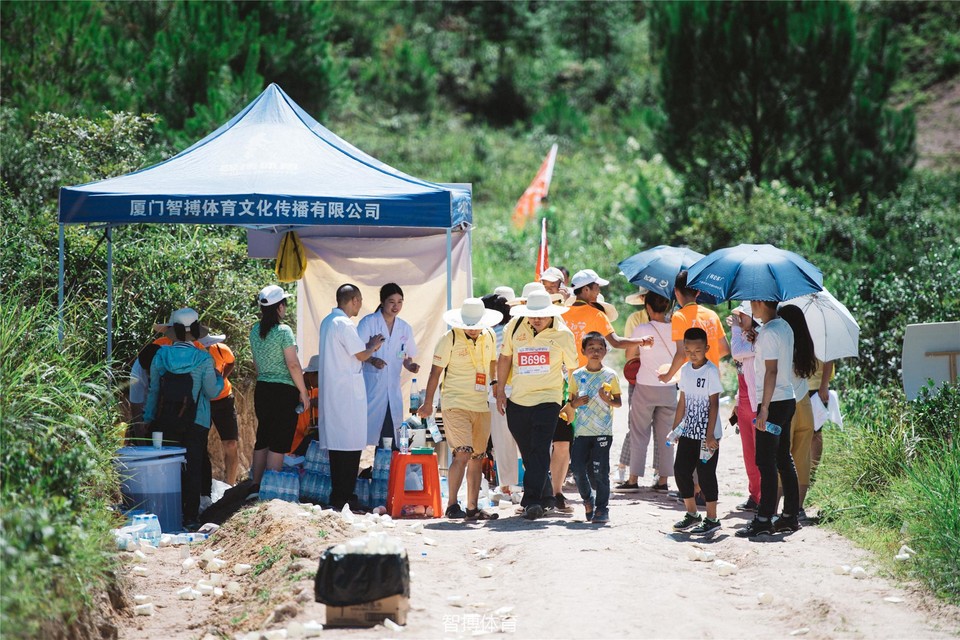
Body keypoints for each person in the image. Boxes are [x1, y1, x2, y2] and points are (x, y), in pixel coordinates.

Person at [556, 269, 653, 509]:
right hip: (590, 380)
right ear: (586, 289)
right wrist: (641, 341)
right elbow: (616, 342)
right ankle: (592, 486)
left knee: (565, 437)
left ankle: (559, 488)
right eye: (596, 287)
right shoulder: (596, 314)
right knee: (591, 432)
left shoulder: (561, 313)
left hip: (563, 380)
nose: (599, 291)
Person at [496, 290, 578, 521]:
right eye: (533, 315)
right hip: (518, 398)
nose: (536, 319)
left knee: (540, 449)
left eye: (541, 315)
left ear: (551, 313)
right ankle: (548, 496)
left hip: (549, 399)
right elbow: (505, 358)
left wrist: (571, 402)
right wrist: (500, 390)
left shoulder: (563, 333)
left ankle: (531, 501)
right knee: (529, 453)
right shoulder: (514, 326)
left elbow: (573, 369)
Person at [418, 298, 501, 521]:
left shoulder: (490, 335)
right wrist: (428, 402)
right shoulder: (449, 338)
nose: (473, 329)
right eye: (469, 325)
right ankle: (452, 504)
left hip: (481, 404)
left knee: (477, 457)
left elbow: (492, 362)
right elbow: (435, 372)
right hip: (455, 403)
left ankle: (472, 507)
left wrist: (495, 384)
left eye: (477, 325)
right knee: (462, 452)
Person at [143, 308, 223, 529]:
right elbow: (211, 392)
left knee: (169, 468)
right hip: (197, 420)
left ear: (172, 331)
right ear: (196, 331)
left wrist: (148, 418)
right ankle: (190, 517)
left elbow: (154, 390)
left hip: (166, 420)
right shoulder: (203, 358)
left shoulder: (161, 356)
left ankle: (168, 513)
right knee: (194, 467)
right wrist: (218, 378)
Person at [736, 300, 800, 537]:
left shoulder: (770, 332)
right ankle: (789, 516)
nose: (751, 307)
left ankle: (763, 519)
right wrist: (758, 339)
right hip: (786, 398)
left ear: (761, 302)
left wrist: (764, 409)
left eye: (753, 301)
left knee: (765, 461)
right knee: (782, 458)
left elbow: (771, 371)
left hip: (773, 403)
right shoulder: (782, 326)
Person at [318, 284, 385, 510]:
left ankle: (339, 494)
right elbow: (360, 354)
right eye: (360, 301)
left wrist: (368, 349)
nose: (360, 306)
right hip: (346, 392)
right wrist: (373, 346)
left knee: (338, 446)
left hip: (335, 389)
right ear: (354, 300)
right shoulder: (344, 324)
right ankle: (346, 496)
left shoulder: (328, 321)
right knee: (349, 445)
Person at [249, 285, 311, 487]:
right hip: (283, 391)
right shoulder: (284, 331)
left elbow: (257, 363)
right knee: (278, 440)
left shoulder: (255, 330)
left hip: (262, 388)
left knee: (263, 437)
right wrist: (303, 391)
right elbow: (293, 364)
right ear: (280, 307)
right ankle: (270, 487)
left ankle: (256, 484)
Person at [619, 292, 677, 493]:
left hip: (645, 386)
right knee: (666, 436)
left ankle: (633, 479)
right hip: (669, 387)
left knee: (639, 433)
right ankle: (663, 480)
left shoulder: (642, 329)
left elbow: (629, 355)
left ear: (648, 308)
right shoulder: (676, 328)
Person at [563, 332, 622, 524]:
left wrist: (607, 399)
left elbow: (618, 402)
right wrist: (576, 403)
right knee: (578, 469)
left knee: (600, 472)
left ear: (605, 351)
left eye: (600, 348)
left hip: (603, 432)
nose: (596, 352)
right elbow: (570, 403)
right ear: (583, 351)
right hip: (581, 432)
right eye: (591, 348)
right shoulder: (577, 375)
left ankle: (602, 509)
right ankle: (588, 500)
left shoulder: (611, 375)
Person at [670, 328, 723, 535]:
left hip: (707, 435)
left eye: (698, 351)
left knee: (706, 474)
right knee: (681, 470)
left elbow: (714, 403)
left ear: (706, 348)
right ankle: (692, 514)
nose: (693, 354)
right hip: (688, 432)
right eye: (688, 350)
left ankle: (712, 518)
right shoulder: (684, 370)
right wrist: (675, 428)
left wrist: (710, 435)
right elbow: (682, 400)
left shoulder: (711, 371)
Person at [358, 283, 420, 448]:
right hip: (372, 386)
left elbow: (405, 356)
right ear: (382, 301)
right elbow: (356, 352)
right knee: (365, 433)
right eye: (391, 302)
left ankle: (384, 463)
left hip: (393, 388)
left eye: (400, 302)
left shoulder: (404, 328)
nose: (396, 306)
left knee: (390, 435)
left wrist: (410, 366)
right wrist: (372, 360)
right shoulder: (369, 322)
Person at [776, 304, 819, 520]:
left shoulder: (781, 344)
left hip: (785, 403)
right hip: (804, 402)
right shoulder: (805, 345)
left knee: (780, 456)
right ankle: (798, 509)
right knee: (802, 457)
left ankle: (772, 509)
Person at [658, 270, 730, 384]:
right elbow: (725, 349)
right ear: (698, 292)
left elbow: (681, 354)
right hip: (713, 379)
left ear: (676, 291)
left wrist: (668, 376)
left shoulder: (679, 316)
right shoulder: (712, 315)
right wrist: (708, 358)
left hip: (693, 379)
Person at [482, 291, 521, 493]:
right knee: (525, 440)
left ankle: (507, 485)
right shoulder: (516, 330)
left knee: (503, 441)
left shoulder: (488, 334)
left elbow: (491, 363)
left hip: (497, 392)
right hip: (521, 390)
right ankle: (533, 482)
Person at [728, 301, 761, 512]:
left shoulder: (760, 340)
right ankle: (754, 495)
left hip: (757, 402)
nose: (738, 319)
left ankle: (764, 496)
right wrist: (738, 401)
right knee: (748, 454)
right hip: (744, 400)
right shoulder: (745, 338)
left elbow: (736, 352)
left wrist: (734, 327)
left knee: (760, 453)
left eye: (742, 316)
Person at [617, 287, 651, 479]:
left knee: (662, 429)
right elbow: (630, 352)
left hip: (662, 377)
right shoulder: (635, 319)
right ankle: (624, 466)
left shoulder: (670, 318)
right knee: (635, 425)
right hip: (638, 376)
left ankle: (658, 473)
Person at [202, 334, 240, 486]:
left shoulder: (221, 349)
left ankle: (230, 487)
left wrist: (222, 378)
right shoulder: (192, 352)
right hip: (202, 401)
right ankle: (203, 487)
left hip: (224, 399)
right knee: (199, 444)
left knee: (231, 444)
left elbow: (231, 362)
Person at [808, 359, 834, 478]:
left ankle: (812, 472)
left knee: (815, 432)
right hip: (795, 386)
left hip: (816, 387)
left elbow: (829, 358)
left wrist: (824, 385)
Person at [289, 355, 320, 456]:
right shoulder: (295, 389)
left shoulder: (315, 390)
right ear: (312, 374)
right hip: (294, 444)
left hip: (305, 440)